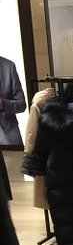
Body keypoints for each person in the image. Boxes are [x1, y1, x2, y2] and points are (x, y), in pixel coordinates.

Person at [0, 55, 26, 200]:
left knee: (14, 193)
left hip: (8, 139)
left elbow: (21, 104)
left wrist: (3, 104)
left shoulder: (8, 66)